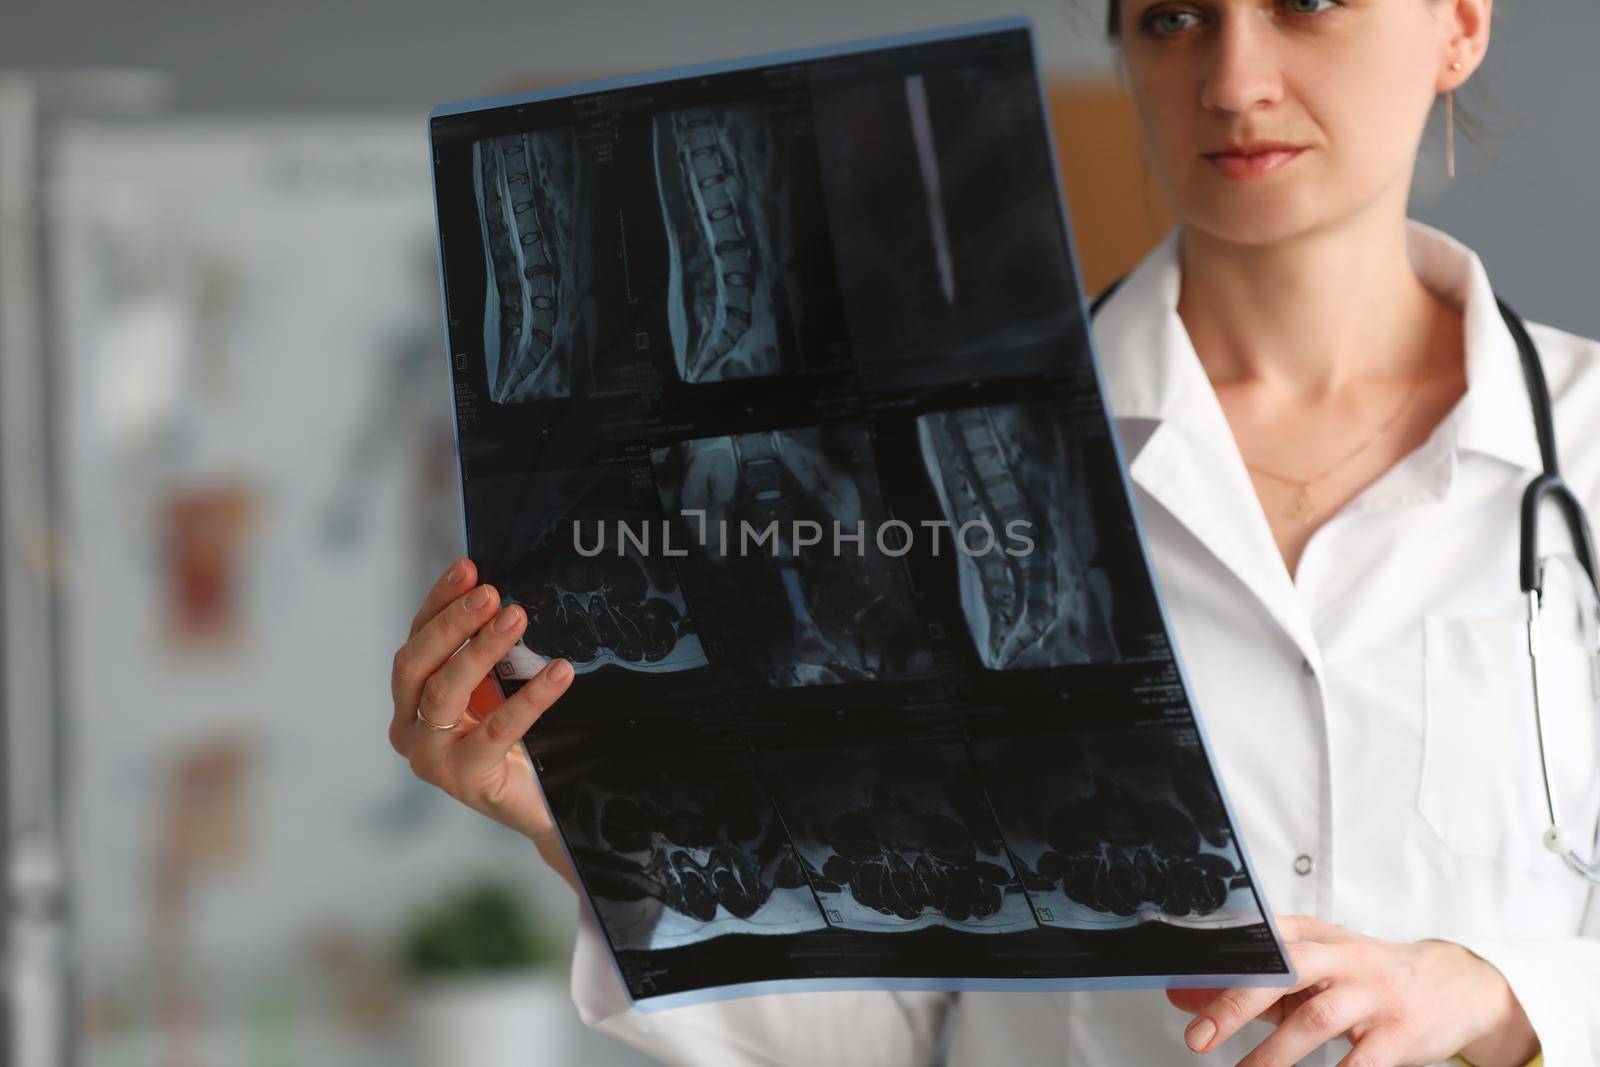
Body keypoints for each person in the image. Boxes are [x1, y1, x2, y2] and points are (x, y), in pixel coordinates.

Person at [387, 0, 1600, 1062]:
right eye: (1172, 19)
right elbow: (878, 1041)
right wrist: (581, 831)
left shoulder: (1584, 451)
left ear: (1460, 23)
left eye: (1307, 0)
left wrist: (1498, 996)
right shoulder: (902, 478)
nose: (1232, 82)